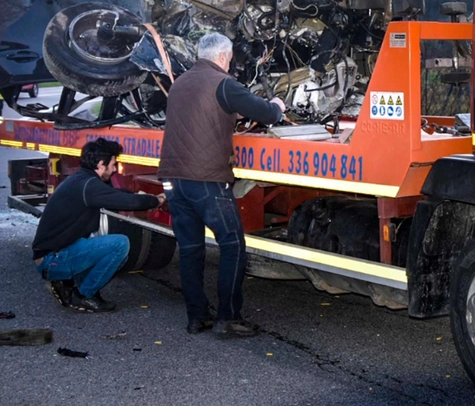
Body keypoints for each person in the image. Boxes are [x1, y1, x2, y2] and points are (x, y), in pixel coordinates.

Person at [161, 32, 286, 337]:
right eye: (229, 59)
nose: (230, 63)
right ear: (222, 57)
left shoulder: (180, 82)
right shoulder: (223, 83)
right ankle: (228, 318)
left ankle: (197, 317)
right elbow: (266, 113)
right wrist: (278, 106)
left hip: (173, 180)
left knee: (190, 249)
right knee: (233, 246)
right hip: (206, 181)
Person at [31, 138, 161, 313]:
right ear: (101, 164)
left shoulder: (83, 180)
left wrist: (136, 194)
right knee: (119, 244)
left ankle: (67, 284)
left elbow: (114, 194)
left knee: (108, 248)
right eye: (113, 165)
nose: (114, 169)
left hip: (52, 254)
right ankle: (85, 295)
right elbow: (125, 201)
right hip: (52, 258)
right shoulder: (88, 185)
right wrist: (156, 200)